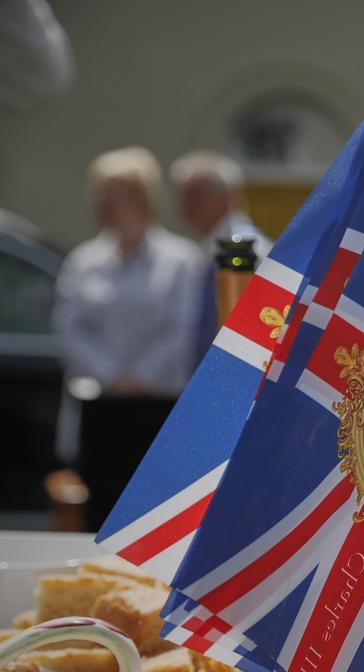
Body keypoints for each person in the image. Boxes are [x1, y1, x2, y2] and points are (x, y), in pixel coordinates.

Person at [53, 146, 204, 528]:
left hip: (159, 406)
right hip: (101, 408)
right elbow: (71, 328)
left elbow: (181, 329)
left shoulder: (181, 260)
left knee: (153, 519)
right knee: (100, 515)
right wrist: (112, 374)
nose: (101, 204)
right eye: (98, 194)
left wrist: (140, 376)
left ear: (141, 198)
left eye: (111, 194)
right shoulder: (84, 262)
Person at [169, 151, 271, 354]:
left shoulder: (240, 247)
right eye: (183, 197)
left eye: (198, 196)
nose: (187, 206)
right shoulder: (208, 248)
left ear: (229, 197)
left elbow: (240, 332)